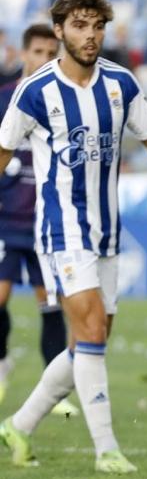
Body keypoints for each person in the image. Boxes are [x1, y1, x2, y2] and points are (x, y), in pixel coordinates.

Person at [0, 0, 147, 472]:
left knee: (93, 338)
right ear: (61, 29)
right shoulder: (36, 91)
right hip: (61, 228)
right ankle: (106, 448)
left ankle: (18, 425)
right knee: (87, 329)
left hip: (107, 231)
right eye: (81, 27)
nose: (91, 36)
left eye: (98, 27)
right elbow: (3, 150)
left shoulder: (120, 84)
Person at [0, 25, 72, 414]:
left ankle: (53, 391)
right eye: (38, 52)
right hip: (5, 217)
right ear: (24, 54)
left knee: (50, 303)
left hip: (46, 220)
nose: (44, 60)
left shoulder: (65, 104)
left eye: (51, 53)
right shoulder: (5, 100)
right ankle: (1, 362)